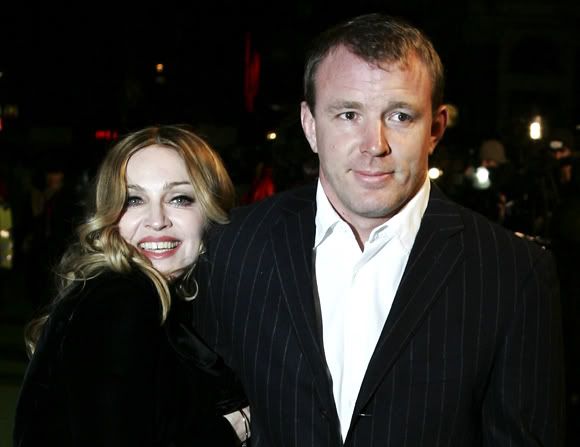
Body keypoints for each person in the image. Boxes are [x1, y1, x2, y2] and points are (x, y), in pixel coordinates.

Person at [173, 13, 565, 446]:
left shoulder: (514, 272)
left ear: (435, 129)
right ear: (310, 125)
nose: (374, 144)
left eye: (399, 116)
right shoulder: (232, 245)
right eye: (348, 114)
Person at [13, 125, 250, 447]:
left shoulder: (166, 300)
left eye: (179, 198)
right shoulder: (120, 298)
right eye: (134, 199)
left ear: (212, 207)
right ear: (111, 215)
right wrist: (232, 429)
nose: (157, 220)